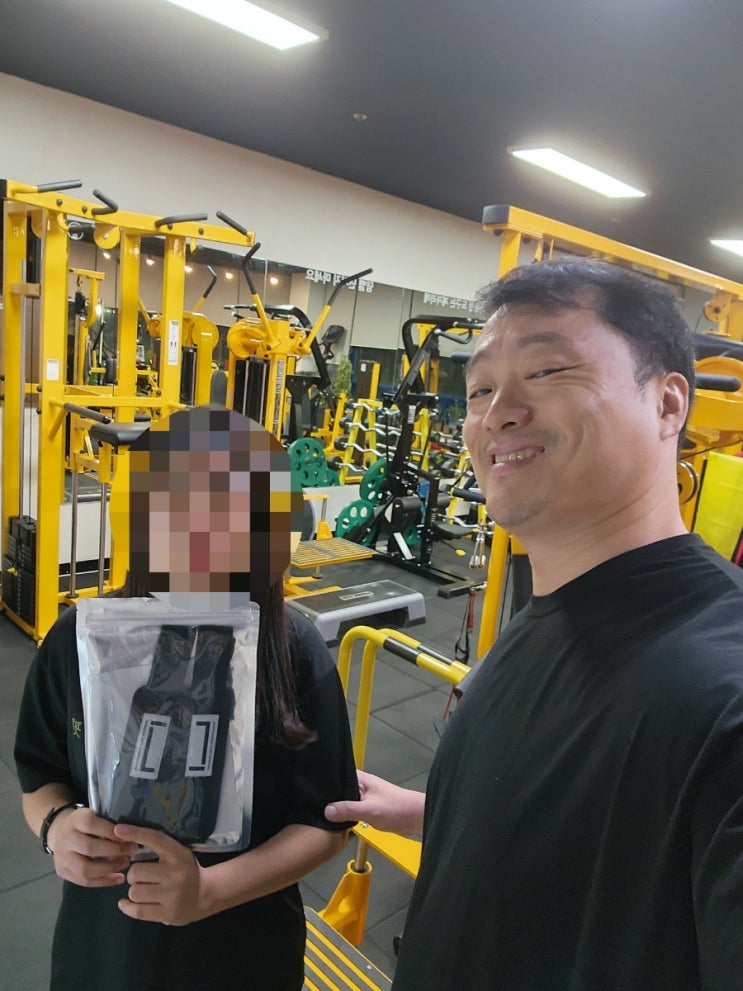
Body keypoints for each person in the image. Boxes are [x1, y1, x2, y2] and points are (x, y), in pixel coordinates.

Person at [325, 258, 743, 990]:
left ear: (668, 404)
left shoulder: (725, 692)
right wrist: (431, 811)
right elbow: (603, 840)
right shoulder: (549, 615)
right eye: (479, 389)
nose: (496, 412)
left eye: (547, 370)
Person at [15, 406, 358, 991]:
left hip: (244, 951)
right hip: (103, 949)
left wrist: (209, 892)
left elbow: (326, 823)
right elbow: (40, 776)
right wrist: (57, 828)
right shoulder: (79, 642)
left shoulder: (294, 651)